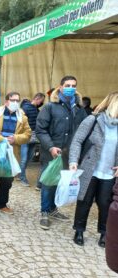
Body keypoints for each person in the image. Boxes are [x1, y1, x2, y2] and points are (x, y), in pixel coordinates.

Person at [36, 75, 87, 230]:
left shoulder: (79, 110)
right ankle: (45, 211)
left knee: (60, 183)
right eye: (67, 85)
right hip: (52, 153)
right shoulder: (50, 107)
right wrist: (51, 146)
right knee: (48, 182)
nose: (71, 88)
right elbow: (40, 129)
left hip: (69, 155)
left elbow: (83, 132)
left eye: (73, 85)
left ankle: (53, 208)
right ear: (60, 87)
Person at [69, 92, 118, 247]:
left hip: (109, 172)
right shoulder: (93, 120)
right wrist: (73, 161)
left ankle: (104, 234)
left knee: (106, 203)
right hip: (90, 169)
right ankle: (79, 230)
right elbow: (77, 140)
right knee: (85, 200)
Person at [0, 92, 31, 214]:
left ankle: (1, 203)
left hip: (12, 153)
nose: (15, 103)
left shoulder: (22, 117)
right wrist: (2, 139)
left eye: (17, 100)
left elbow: (28, 134)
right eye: (13, 100)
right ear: (6, 101)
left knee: (7, 180)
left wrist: (16, 139)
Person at [19, 93, 45, 186]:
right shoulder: (26, 108)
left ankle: (20, 173)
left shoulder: (36, 109)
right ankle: (22, 177)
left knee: (29, 158)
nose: (41, 103)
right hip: (26, 136)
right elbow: (20, 122)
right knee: (24, 158)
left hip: (34, 137)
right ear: (37, 99)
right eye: (41, 101)